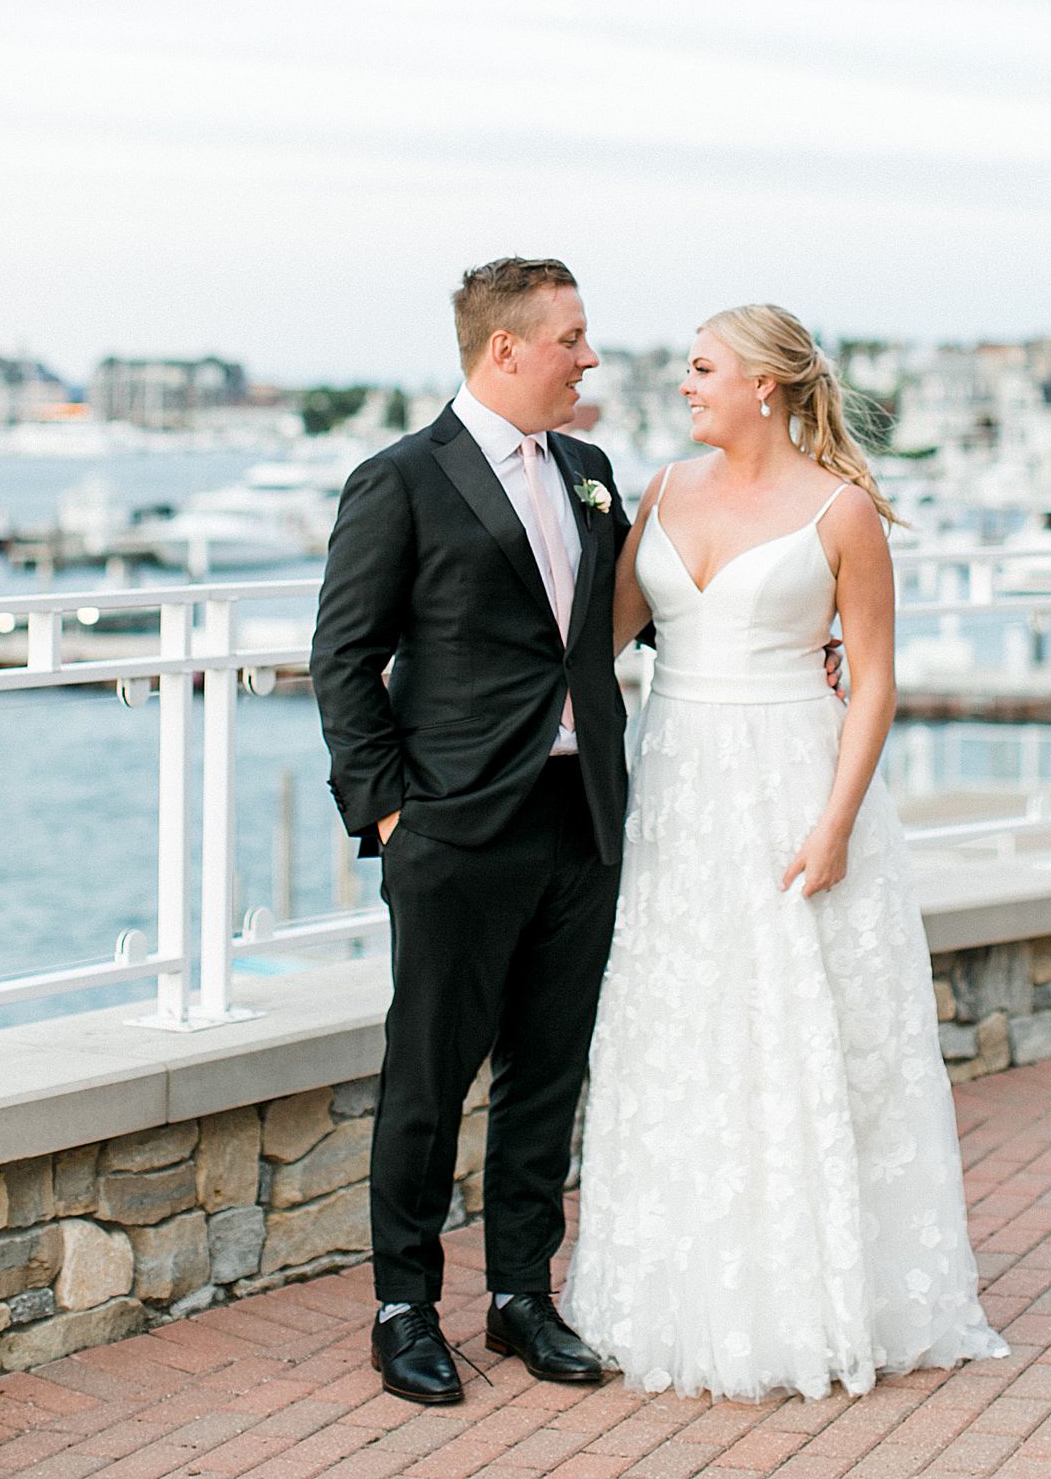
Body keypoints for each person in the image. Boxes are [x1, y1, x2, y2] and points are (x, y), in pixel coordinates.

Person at [311, 260, 846, 1405]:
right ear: (505, 349)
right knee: (428, 1073)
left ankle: (518, 1298)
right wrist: (392, 814)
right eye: (571, 338)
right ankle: (404, 1308)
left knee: (546, 1073)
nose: (589, 358)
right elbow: (343, 661)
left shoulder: (592, 473)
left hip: (584, 818)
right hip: (455, 828)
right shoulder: (398, 479)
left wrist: (795, 646)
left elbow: (621, 623)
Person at [562, 303, 1007, 1402]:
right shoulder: (658, 492)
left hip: (787, 783)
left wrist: (834, 824)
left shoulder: (839, 511)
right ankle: (680, 1289)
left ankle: (807, 1295)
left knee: (798, 1028)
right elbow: (604, 635)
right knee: (682, 1025)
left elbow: (875, 679)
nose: (683, 383)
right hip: (676, 785)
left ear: (763, 383)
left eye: (701, 367)